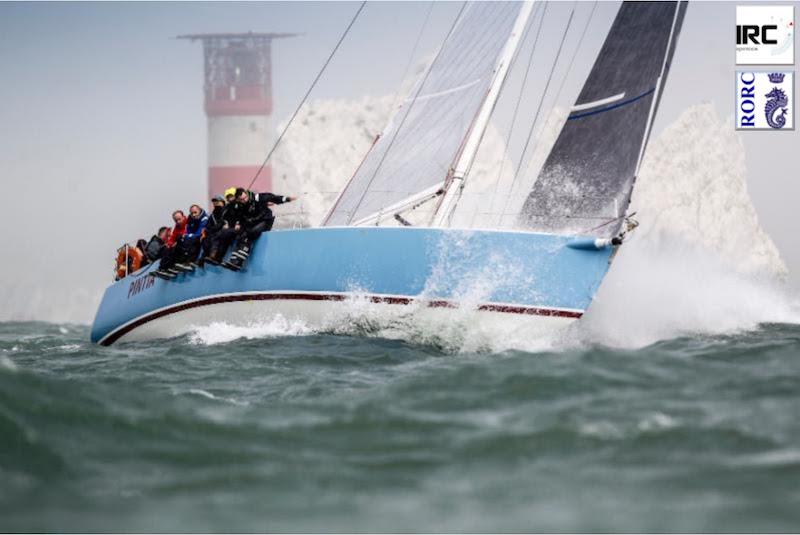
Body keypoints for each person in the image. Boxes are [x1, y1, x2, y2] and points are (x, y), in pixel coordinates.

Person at [226, 187, 295, 269]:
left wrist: (286, 199)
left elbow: (272, 197)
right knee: (241, 234)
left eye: (245, 198)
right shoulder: (241, 205)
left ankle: (239, 261)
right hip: (255, 222)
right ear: (238, 199)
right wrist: (238, 223)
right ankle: (234, 261)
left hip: (266, 220)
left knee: (251, 233)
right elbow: (239, 216)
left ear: (246, 193)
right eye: (242, 199)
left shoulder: (257, 197)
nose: (244, 200)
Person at [153, 210, 187, 279]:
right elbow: (172, 238)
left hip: (186, 244)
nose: (178, 222)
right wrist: (170, 244)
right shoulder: (177, 227)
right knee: (167, 248)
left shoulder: (189, 223)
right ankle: (163, 268)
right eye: (176, 220)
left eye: (179, 219)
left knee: (173, 247)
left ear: (183, 217)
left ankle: (169, 267)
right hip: (179, 245)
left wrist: (175, 243)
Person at [174, 204, 209, 271]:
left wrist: (188, 236)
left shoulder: (205, 218)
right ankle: (179, 263)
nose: (193, 215)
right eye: (192, 213)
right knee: (180, 241)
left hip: (201, 237)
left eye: (195, 212)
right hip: (192, 236)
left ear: (199, 211)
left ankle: (190, 262)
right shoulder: (190, 218)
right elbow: (188, 230)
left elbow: (199, 233)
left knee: (193, 241)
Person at [199, 196, 227, 266]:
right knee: (205, 239)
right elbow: (208, 225)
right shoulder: (213, 214)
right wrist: (205, 232)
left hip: (222, 231)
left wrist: (213, 229)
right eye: (214, 202)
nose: (215, 203)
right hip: (214, 231)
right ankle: (204, 258)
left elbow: (222, 222)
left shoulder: (226, 211)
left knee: (217, 237)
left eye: (217, 201)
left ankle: (215, 257)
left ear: (222, 202)